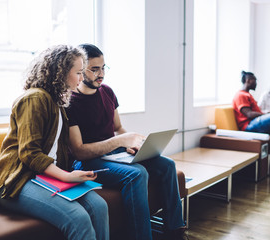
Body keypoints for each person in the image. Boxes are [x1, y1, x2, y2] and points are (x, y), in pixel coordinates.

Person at [65, 43, 187, 240]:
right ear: (81, 70)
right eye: (94, 69)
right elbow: (79, 151)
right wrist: (119, 141)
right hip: (87, 161)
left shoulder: (108, 92)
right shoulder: (70, 103)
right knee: (136, 174)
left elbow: (118, 128)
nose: (101, 74)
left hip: (113, 154)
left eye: (103, 68)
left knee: (167, 165)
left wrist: (133, 143)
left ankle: (175, 230)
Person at [0, 45, 109, 240]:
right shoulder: (34, 99)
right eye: (78, 72)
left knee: (99, 206)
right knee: (78, 217)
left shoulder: (57, 102)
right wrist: (67, 176)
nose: (81, 78)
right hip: (17, 181)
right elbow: (29, 153)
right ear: (61, 73)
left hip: (43, 177)